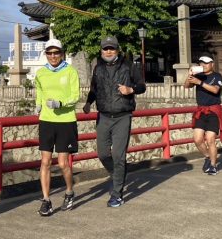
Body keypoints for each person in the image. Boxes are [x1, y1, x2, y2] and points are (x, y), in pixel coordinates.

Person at [82, 35, 145, 208]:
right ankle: (118, 175)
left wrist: (130, 89)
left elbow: (142, 86)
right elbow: (94, 88)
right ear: (101, 50)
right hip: (103, 116)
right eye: (105, 48)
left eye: (111, 48)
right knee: (102, 154)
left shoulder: (129, 65)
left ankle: (117, 193)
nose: (108, 51)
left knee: (118, 155)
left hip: (122, 116)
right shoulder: (98, 68)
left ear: (117, 49)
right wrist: (88, 103)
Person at [34, 39, 81, 216]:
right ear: (46, 54)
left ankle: (69, 191)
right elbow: (39, 90)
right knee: (45, 162)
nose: (53, 56)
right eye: (49, 53)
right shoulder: (41, 72)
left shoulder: (70, 71)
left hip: (66, 121)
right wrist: (38, 104)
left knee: (62, 164)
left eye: (56, 53)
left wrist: (60, 104)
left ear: (62, 54)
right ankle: (46, 200)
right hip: (46, 120)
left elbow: (75, 96)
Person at [183, 55, 222, 176]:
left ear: (212, 64)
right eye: (201, 63)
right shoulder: (198, 75)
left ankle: (213, 166)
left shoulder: (217, 76)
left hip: (213, 112)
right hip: (201, 111)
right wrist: (189, 75)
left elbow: (215, 90)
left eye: (206, 63)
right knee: (197, 139)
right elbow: (186, 86)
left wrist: (199, 82)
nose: (203, 65)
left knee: (210, 139)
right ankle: (208, 157)